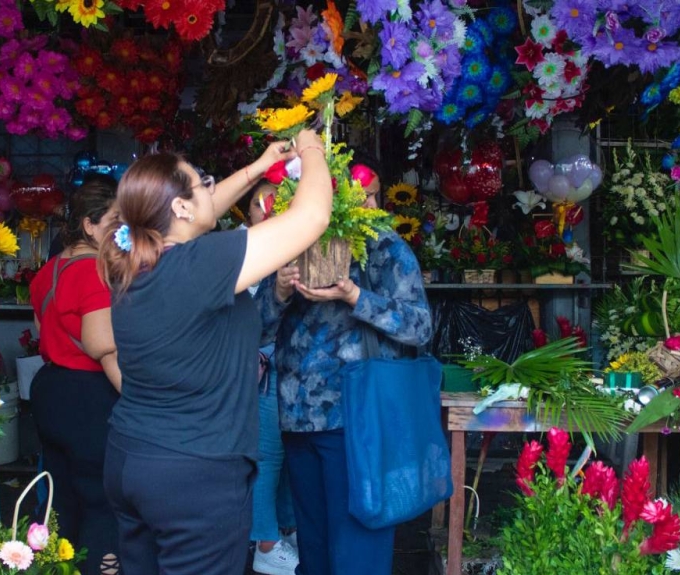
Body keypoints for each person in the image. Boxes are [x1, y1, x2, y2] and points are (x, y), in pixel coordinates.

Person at [99, 130, 332, 575]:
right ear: (180, 207)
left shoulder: (131, 261)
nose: (212, 187)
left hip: (131, 459)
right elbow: (313, 217)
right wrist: (312, 149)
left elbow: (196, 214)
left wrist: (257, 170)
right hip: (194, 474)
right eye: (202, 182)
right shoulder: (199, 265)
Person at [255, 152, 432, 575]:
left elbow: (420, 326)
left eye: (370, 198)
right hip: (297, 418)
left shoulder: (385, 245)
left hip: (358, 416)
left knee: (358, 551)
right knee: (313, 549)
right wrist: (278, 290)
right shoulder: (290, 241)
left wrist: (357, 298)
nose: (366, 208)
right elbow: (257, 328)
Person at [28, 175, 122, 575]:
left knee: (59, 500)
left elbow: (40, 332)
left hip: (50, 390)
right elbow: (104, 348)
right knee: (104, 502)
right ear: (89, 224)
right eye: (116, 223)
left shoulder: (46, 271)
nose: (122, 233)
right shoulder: (93, 273)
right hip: (90, 396)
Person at [246, 182, 299, 575]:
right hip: (259, 368)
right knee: (266, 456)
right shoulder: (243, 250)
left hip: (292, 367)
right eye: (258, 202)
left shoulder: (293, 244)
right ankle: (264, 542)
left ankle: (283, 529)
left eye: (275, 201)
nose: (267, 208)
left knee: (288, 454)